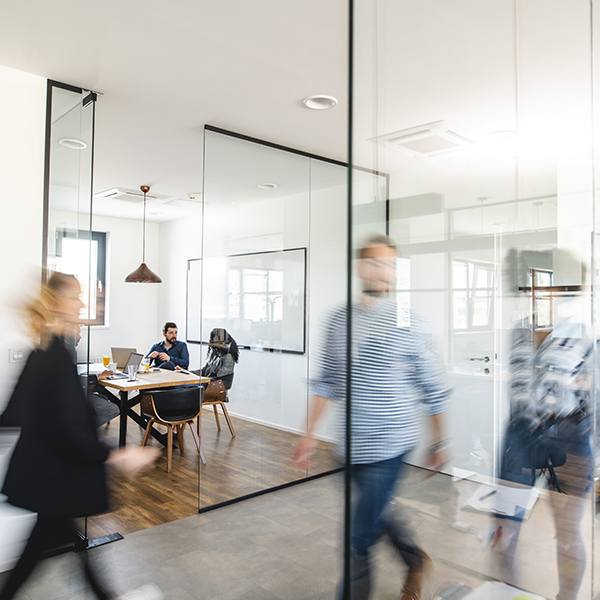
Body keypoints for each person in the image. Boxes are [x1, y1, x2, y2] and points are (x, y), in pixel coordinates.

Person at [292, 235, 450, 600]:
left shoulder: (409, 319)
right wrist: (309, 434)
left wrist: (440, 441)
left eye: (392, 265)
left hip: (391, 444)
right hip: (349, 447)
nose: (386, 272)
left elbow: (432, 386)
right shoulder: (337, 319)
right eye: (378, 263)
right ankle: (414, 558)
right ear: (360, 268)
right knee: (377, 516)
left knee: (356, 538)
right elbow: (327, 381)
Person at [0, 272, 161, 600]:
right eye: (75, 296)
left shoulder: (48, 350)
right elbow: (65, 432)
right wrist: (118, 455)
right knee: (55, 547)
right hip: (53, 477)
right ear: (57, 303)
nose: (83, 303)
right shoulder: (53, 355)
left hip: (48, 478)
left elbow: (15, 413)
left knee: (57, 546)